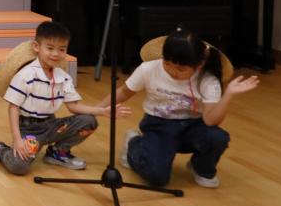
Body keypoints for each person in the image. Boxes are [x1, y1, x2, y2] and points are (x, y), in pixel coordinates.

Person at [106, 29, 259, 188]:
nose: (172, 72)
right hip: (159, 126)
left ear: (199, 65)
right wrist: (96, 109)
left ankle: (201, 167)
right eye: (167, 64)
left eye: (181, 69)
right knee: (157, 177)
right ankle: (134, 144)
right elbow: (124, 92)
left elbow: (210, 121)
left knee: (218, 137)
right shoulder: (149, 69)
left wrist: (229, 94)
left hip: (192, 128)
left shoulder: (208, 80)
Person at [0, 20, 127, 174]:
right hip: (29, 129)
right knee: (19, 166)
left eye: (62, 49)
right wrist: (17, 139)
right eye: (50, 48)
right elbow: (13, 108)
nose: (56, 54)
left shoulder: (64, 77)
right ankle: (0, 149)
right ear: (36, 47)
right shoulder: (26, 75)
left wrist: (102, 111)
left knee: (89, 121)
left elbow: (74, 107)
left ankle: (58, 152)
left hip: (52, 125)